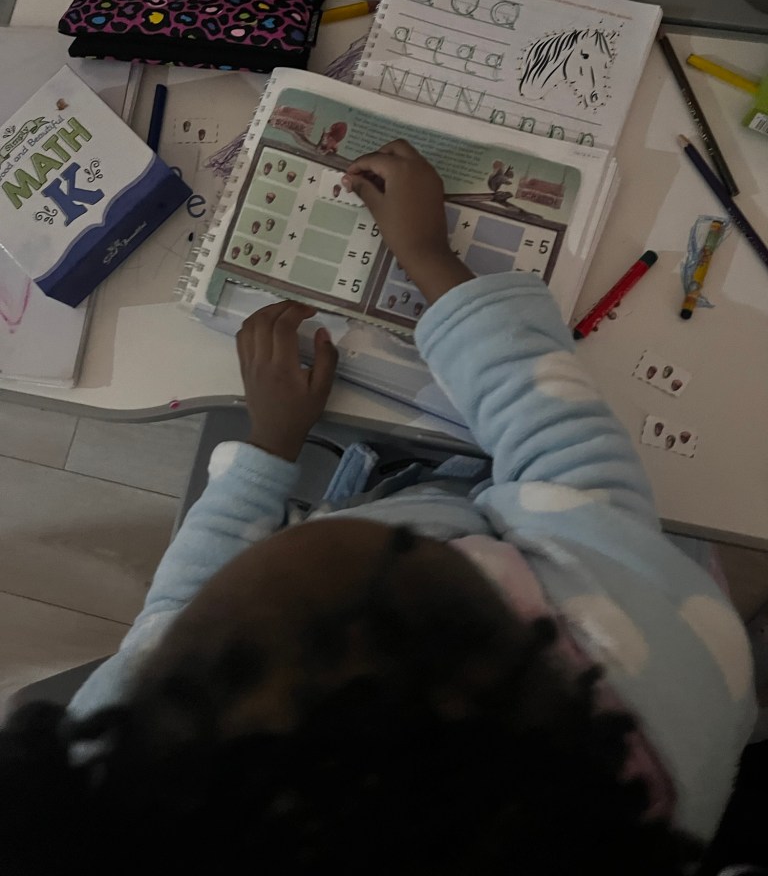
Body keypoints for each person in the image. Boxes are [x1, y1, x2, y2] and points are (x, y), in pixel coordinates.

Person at [0, 141, 755, 876]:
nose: (291, 548)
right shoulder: (636, 668)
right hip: (630, 574)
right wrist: (429, 256)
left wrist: (268, 450)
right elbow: (566, 444)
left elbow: (174, 606)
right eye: (399, 561)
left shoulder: (128, 753)